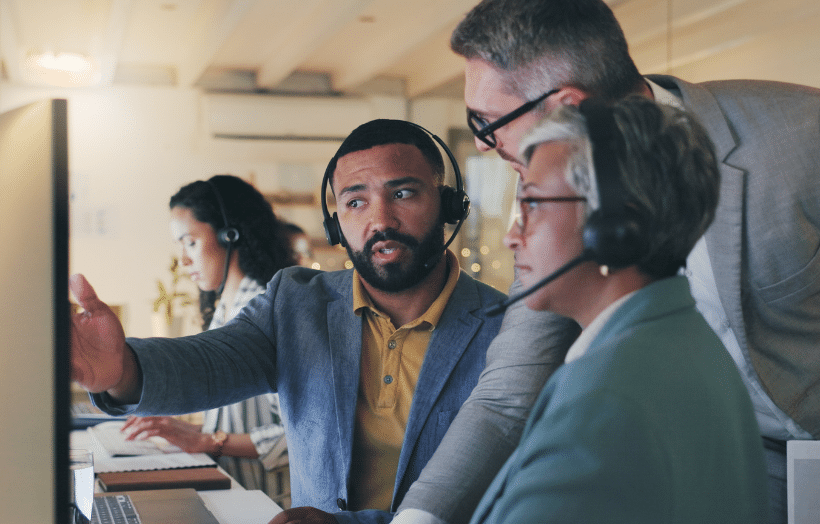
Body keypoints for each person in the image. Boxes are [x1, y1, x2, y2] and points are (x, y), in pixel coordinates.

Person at [396, 1, 820, 523]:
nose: (486, 146)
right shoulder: (558, 204)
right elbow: (509, 393)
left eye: (486, 123)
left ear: (565, 107)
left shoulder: (802, 142)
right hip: (722, 465)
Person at [70, 119, 505, 524]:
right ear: (336, 224)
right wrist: (122, 370)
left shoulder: (506, 329)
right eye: (356, 201)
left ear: (450, 204)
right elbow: (208, 362)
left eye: (403, 194)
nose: (380, 221)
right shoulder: (296, 303)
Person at [470, 95, 767, 523]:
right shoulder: (690, 342)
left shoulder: (600, 403)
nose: (512, 237)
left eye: (531, 205)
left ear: (612, 228)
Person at [121, 175, 295, 496]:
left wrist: (207, 441)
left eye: (191, 242)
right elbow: (247, 423)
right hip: (231, 492)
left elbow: (300, 435)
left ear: (230, 235)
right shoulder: (223, 311)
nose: (184, 260)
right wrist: (189, 430)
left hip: (268, 504)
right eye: (180, 246)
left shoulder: (267, 312)